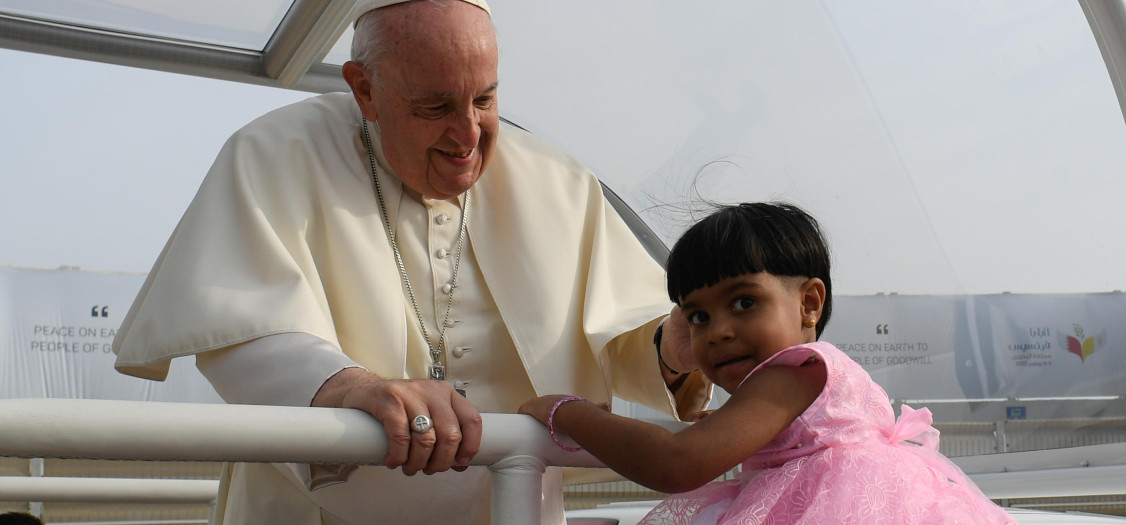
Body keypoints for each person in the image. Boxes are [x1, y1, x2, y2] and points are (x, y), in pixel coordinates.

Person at [111, 0, 709, 523]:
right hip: (320, 511)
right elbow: (239, 325)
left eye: (485, 98)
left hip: (509, 506)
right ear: (363, 89)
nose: (468, 134)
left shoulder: (559, 182)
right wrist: (347, 386)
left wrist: (674, 350)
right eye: (435, 106)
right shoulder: (273, 154)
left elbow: (628, 330)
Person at [520, 202, 1018, 524]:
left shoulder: (794, 371)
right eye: (697, 314)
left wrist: (568, 412)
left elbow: (678, 462)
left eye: (743, 303)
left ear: (809, 304)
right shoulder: (793, 386)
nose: (718, 330)